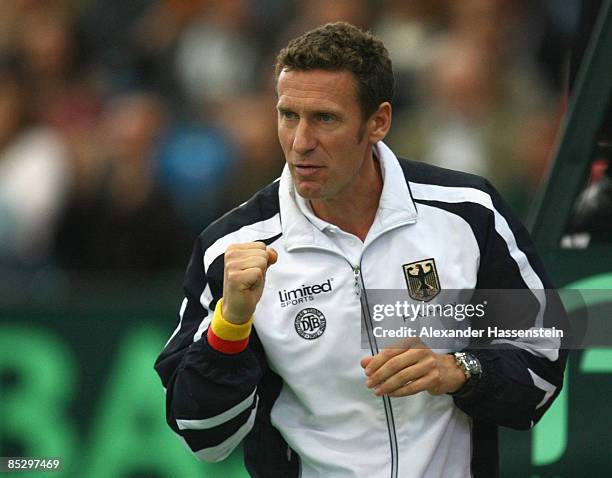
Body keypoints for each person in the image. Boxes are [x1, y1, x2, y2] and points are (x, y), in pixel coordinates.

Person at [155, 22, 568, 477]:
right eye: (288, 115)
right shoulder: (231, 248)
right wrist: (230, 324)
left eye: (325, 118)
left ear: (378, 122)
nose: (300, 142)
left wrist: (460, 371)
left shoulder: (469, 215)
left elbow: (541, 359)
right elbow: (201, 434)